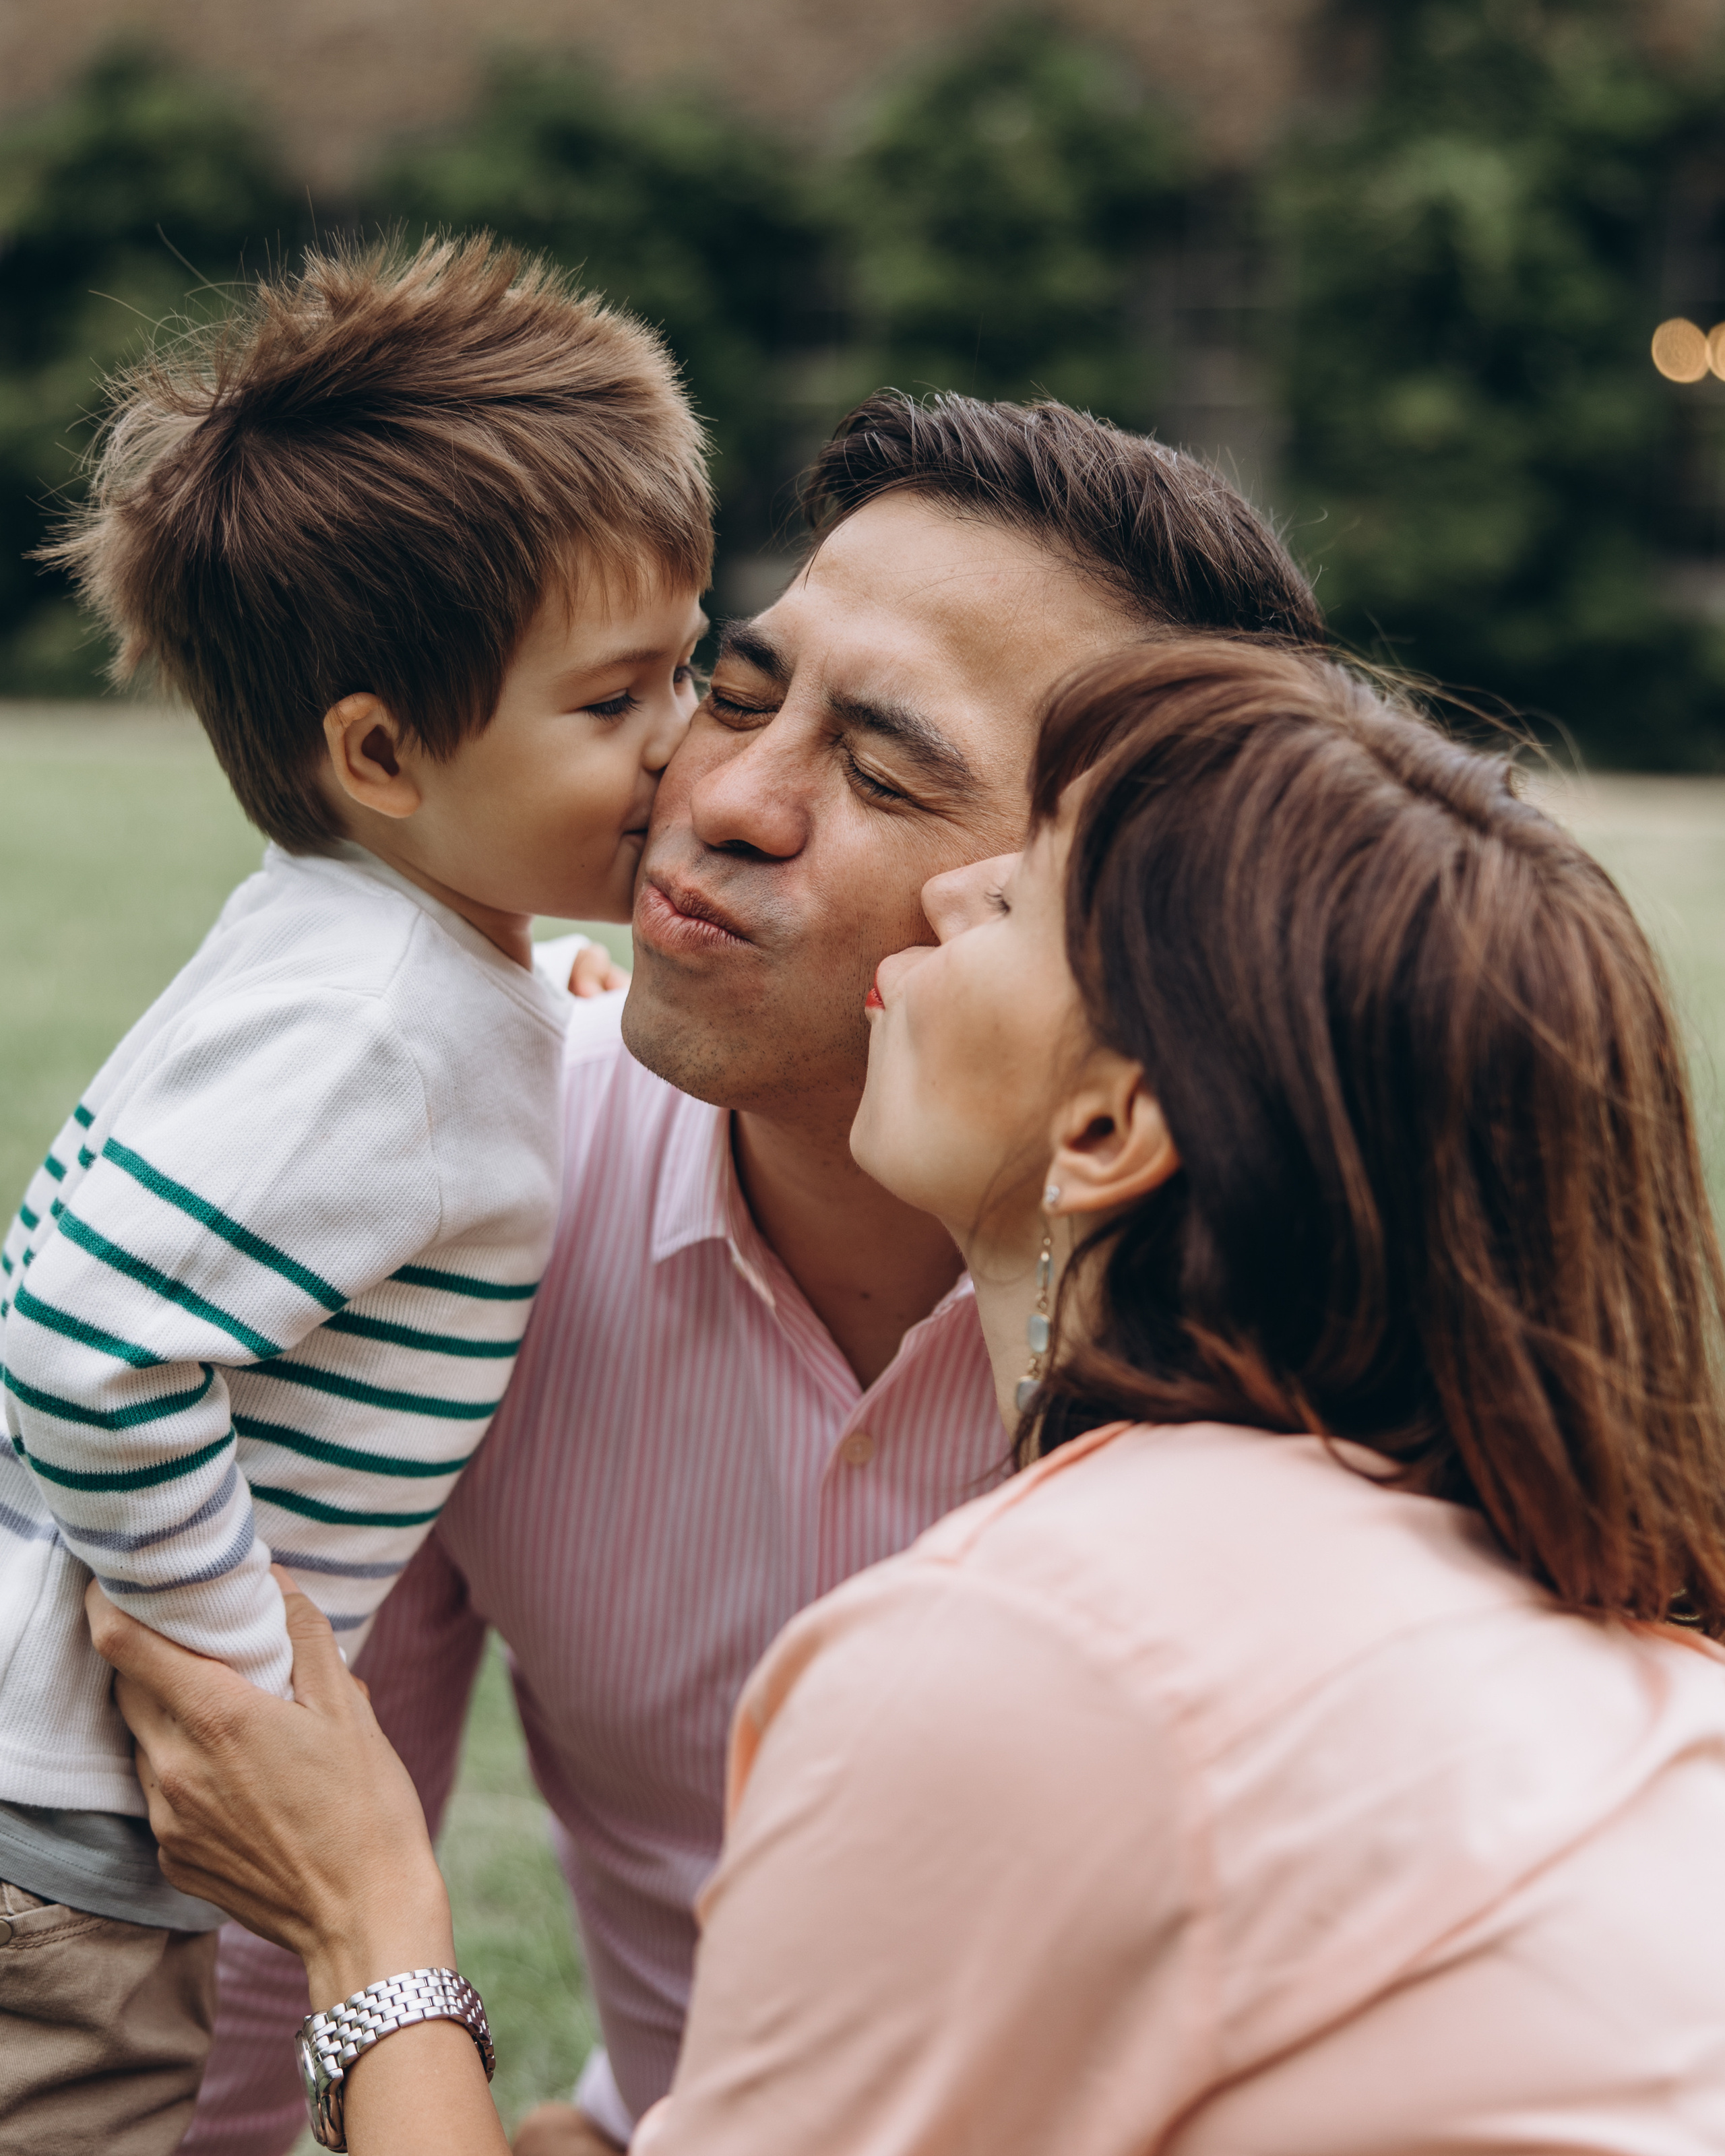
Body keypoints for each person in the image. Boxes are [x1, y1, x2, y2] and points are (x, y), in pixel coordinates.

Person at [90, 635, 1725, 2154]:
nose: (945, 905)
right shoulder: (1493, 1573)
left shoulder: (1030, 1641)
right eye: (732, 689)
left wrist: (368, 1921)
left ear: (1104, 1131)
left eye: (1012, 895)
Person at [183, 391, 1327, 2155]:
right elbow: (279, 1870)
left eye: (884, 769)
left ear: (1134, 913)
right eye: (732, 690)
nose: (717, 802)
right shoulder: (442, 1203)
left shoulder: (1309, 1355)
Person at [0, 233, 707, 2154]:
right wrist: (236, 1674)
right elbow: (79, 1341)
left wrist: (566, 1008)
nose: (682, 740)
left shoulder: (394, 960)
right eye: (613, 702)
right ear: (382, 753)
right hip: (69, 1837)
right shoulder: (377, 1030)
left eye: (686, 665)